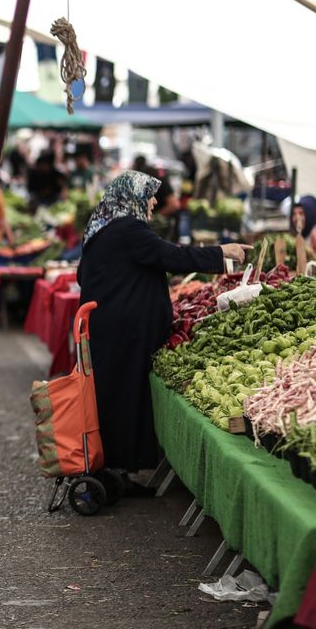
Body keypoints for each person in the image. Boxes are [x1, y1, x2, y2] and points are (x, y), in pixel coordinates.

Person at [77, 171, 250, 485]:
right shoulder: (128, 229)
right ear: (132, 197)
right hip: (123, 332)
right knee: (123, 394)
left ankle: (118, 466)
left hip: (116, 328)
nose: (155, 200)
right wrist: (221, 252)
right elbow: (171, 256)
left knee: (120, 393)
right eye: (150, 193)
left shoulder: (106, 228)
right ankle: (116, 468)